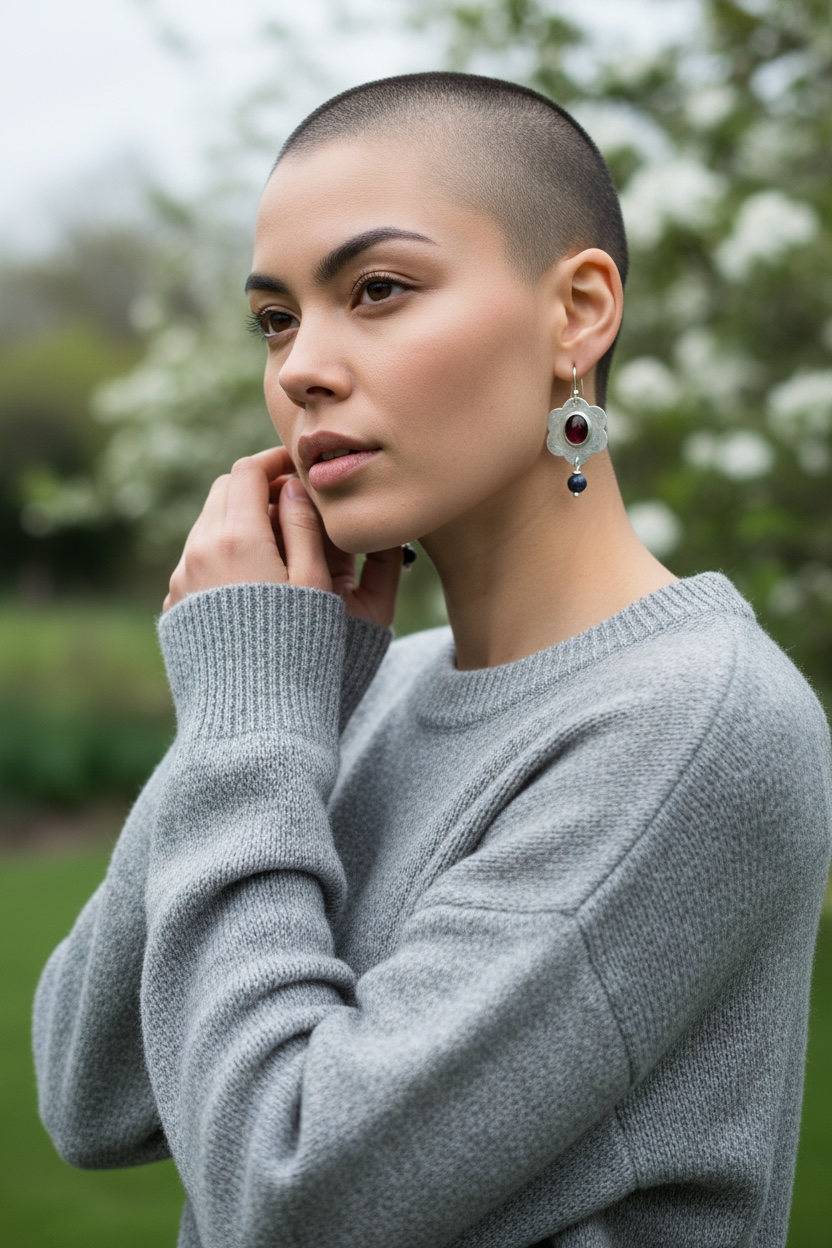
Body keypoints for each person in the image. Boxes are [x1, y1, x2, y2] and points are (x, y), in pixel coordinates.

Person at [33, 72, 832, 1248]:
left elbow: (294, 1193)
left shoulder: (696, 721)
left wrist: (251, 722)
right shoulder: (369, 688)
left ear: (577, 313)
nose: (302, 363)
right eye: (276, 318)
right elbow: (90, 1085)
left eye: (379, 290)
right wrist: (276, 701)